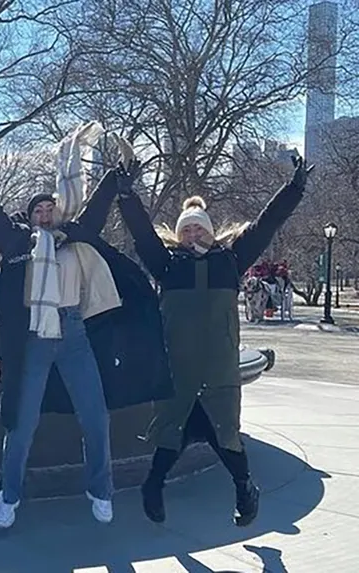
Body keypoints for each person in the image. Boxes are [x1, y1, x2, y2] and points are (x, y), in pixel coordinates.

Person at [0, 123, 172, 529]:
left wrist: (116, 179)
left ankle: (100, 489)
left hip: (74, 333)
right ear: (29, 217)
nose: (46, 216)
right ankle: (9, 494)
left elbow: (97, 211)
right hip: (34, 337)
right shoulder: (20, 245)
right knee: (23, 422)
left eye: (50, 209)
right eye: (38, 211)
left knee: (96, 416)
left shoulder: (73, 237)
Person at [116, 155, 313, 527]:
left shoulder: (231, 260)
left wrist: (295, 188)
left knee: (226, 436)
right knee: (169, 434)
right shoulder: (168, 265)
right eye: (186, 230)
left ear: (209, 231)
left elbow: (267, 223)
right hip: (178, 368)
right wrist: (126, 195)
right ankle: (152, 489)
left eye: (198, 229)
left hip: (219, 367)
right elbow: (142, 234)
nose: (193, 235)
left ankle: (244, 489)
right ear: (179, 234)